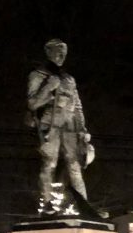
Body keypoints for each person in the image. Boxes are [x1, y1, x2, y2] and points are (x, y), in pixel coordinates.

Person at [26, 39, 94, 215]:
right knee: (50, 164)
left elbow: (77, 105)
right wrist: (49, 87)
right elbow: (33, 103)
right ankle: (47, 203)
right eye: (58, 52)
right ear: (49, 53)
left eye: (64, 53)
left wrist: (83, 129)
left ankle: (84, 205)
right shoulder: (38, 75)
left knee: (75, 166)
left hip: (70, 126)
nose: (61, 56)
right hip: (51, 125)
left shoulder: (69, 79)